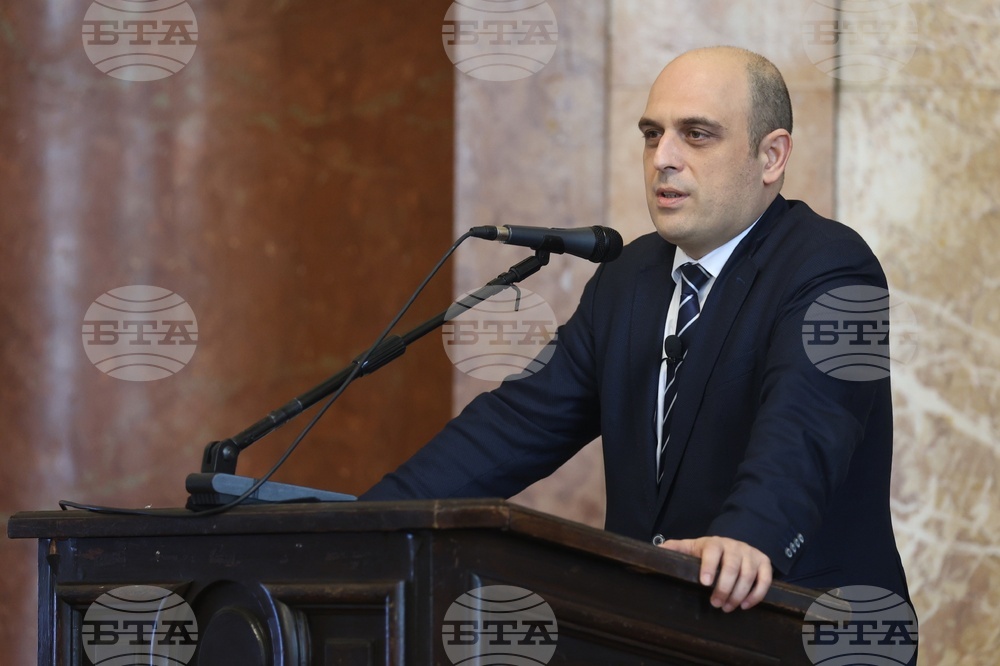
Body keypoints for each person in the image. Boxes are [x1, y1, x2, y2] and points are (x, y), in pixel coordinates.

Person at [361, 46, 911, 616]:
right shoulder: (628, 279)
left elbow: (808, 425)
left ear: (771, 156)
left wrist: (751, 536)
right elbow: (514, 425)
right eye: (652, 134)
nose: (663, 158)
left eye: (697, 135)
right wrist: (366, 523)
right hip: (652, 626)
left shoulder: (833, 267)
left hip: (804, 622)